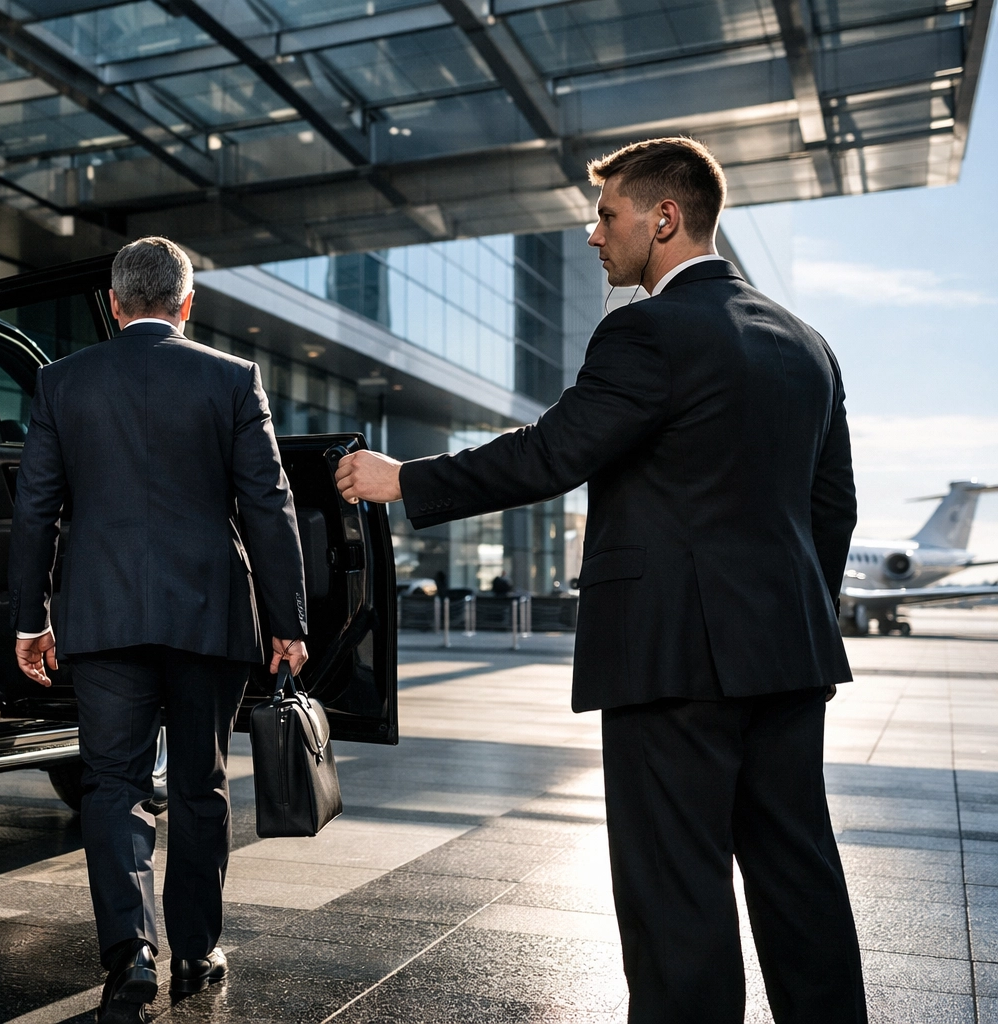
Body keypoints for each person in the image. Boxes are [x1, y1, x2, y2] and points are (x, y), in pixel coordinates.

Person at [334, 137, 864, 1023]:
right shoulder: (808, 346)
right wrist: (782, 613)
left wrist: (407, 480)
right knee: (799, 878)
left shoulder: (647, 329)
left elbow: (551, 453)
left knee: (676, 901)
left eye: (607, 214)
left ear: (665, 218)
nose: (592, 235)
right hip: (788, 657)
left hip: (670, 663)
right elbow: (833, 508)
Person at [7, 236, 308, 1024]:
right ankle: (195, 951)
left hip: (101, 615)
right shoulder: (232, 378)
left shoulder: (61, 381)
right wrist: (288, 622)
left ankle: (129, 956)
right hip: (209, 612)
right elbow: (268, 506)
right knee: (202, 784)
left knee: (113, 784)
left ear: (113, 304)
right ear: (186, 304)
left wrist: (30, 619)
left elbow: (34, 509)